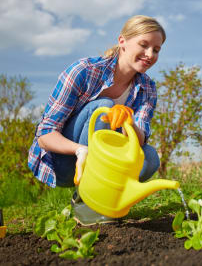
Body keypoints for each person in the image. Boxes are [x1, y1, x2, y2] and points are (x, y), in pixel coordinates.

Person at [28, 15, 166, 225]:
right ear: (122, 42)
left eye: (156, 50)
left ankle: (102, 200)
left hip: (103, 164)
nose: (149, 54)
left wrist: (128, 121)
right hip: (67, 162)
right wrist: (81, 150)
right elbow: (45, 135)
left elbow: (140, 140)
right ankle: (86, 200)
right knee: (104, 108)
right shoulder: (84, 71)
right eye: (144, 45)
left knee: (150, 158)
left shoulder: (147, 88)